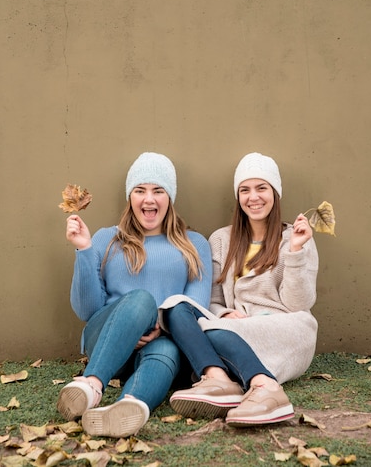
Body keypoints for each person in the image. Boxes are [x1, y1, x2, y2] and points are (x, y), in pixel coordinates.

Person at [57, 152, 212, 438]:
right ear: (130, 196)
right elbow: (86, 310)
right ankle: (92, 383)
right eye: (140, 190)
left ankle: (127, 406)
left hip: (162, 342)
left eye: (158, 190)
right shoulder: (106, 238)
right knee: (142, 300)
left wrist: (159, 329)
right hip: (107, 342)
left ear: (170, 197)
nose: (148, 199)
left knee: (166, 350)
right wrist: (83, 249)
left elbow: (196, 309)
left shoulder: (195, 245)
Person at [161, 152, 319, 427]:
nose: (253, 197)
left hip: (285, 330)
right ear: (238, 197)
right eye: (245, 190)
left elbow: (298, 305)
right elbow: (212, 300)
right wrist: (222, 314)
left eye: (261, 188)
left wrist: (295, 251)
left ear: (275, 193)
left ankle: (266, 388)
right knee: (174, 306)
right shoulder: (222, 239)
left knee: (206, 335)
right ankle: (220, 380)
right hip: (234, 328)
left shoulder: (296, 237)